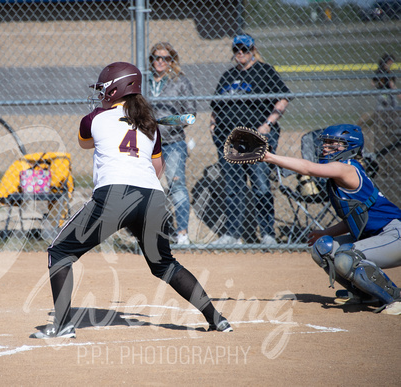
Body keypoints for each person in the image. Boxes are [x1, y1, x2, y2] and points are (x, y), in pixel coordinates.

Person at [29, 62, 233, 339]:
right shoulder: (152, 127)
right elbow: (156, 169)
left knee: (60, 252)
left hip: (114, 195)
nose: (100, 95)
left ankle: (63, 325)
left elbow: (85, 143)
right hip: (152, 199)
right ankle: (217, 319)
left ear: (116, 89)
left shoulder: (93, 119)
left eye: (103, 89)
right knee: (164, 265)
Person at [262, 124, 401, 315]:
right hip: (377, 236)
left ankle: (395, 298)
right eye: (325, 142)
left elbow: (308, 169)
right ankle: (365, 294)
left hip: (395, 235)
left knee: (347, 256)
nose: (325, 147)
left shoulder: (346, 169)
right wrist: (325, 233)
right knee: (323, 248)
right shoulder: (338, 176)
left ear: (348, 147)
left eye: (331, 143)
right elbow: (356, 219)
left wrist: (269, 157)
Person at [209, 34, 290, 246]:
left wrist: (269, 124)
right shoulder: (227, 76)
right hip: (229, 139)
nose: (240, 53)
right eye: (237, 49)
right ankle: (232, 234)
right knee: (233, 186)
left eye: (245, 49)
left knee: (260, 184)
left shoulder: (264, 71)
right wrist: (213, 127)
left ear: (253, 50)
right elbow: (215, 107)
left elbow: (283, 98)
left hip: (256, 137)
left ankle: (267, 234)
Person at [148, 42, 196, 245]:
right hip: (148, 143)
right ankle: (150, 233)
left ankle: (182, 234)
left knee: (176, 186)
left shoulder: (180, 81)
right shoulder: (145, 81)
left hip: (173, 142)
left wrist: (165, 121)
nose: (160, 61)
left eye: (165, 58)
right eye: (156, 58)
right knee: (147, 188)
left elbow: (190, 116)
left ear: (171, 60)